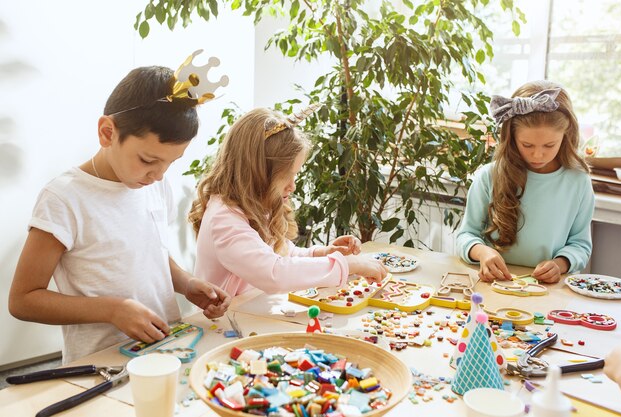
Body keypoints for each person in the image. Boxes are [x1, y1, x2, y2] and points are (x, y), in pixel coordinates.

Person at [9, 60, 231, 364]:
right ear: (107, 132)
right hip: (102, 364)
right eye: (147, 159)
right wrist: (112, 310)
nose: (159, 174)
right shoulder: (63, 199)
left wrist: (186, 282)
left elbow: (149, 252)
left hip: (168, 349)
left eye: (170, 163)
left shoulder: (152, 186)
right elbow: (23, 300)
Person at [189, 107, 388, 296]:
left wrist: (321, 253)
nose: (292, 186)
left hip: (249, 315)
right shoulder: (224, 219)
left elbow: (280, 253)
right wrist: (348, 265)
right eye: (286, 176)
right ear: (258, 173)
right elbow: (274, 273)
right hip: (221, 324)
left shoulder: (254, 204)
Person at [456, 80, 593, 283]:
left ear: (566, 136)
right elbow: (466, 235)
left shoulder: (578, 181)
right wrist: (483, 252)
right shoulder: (488, 176)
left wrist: (560, 264)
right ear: (511, 137)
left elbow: (580, 245)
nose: (538, 154)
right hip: (496, 284)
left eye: (549, 145)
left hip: (551, 291)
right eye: (527, 144)